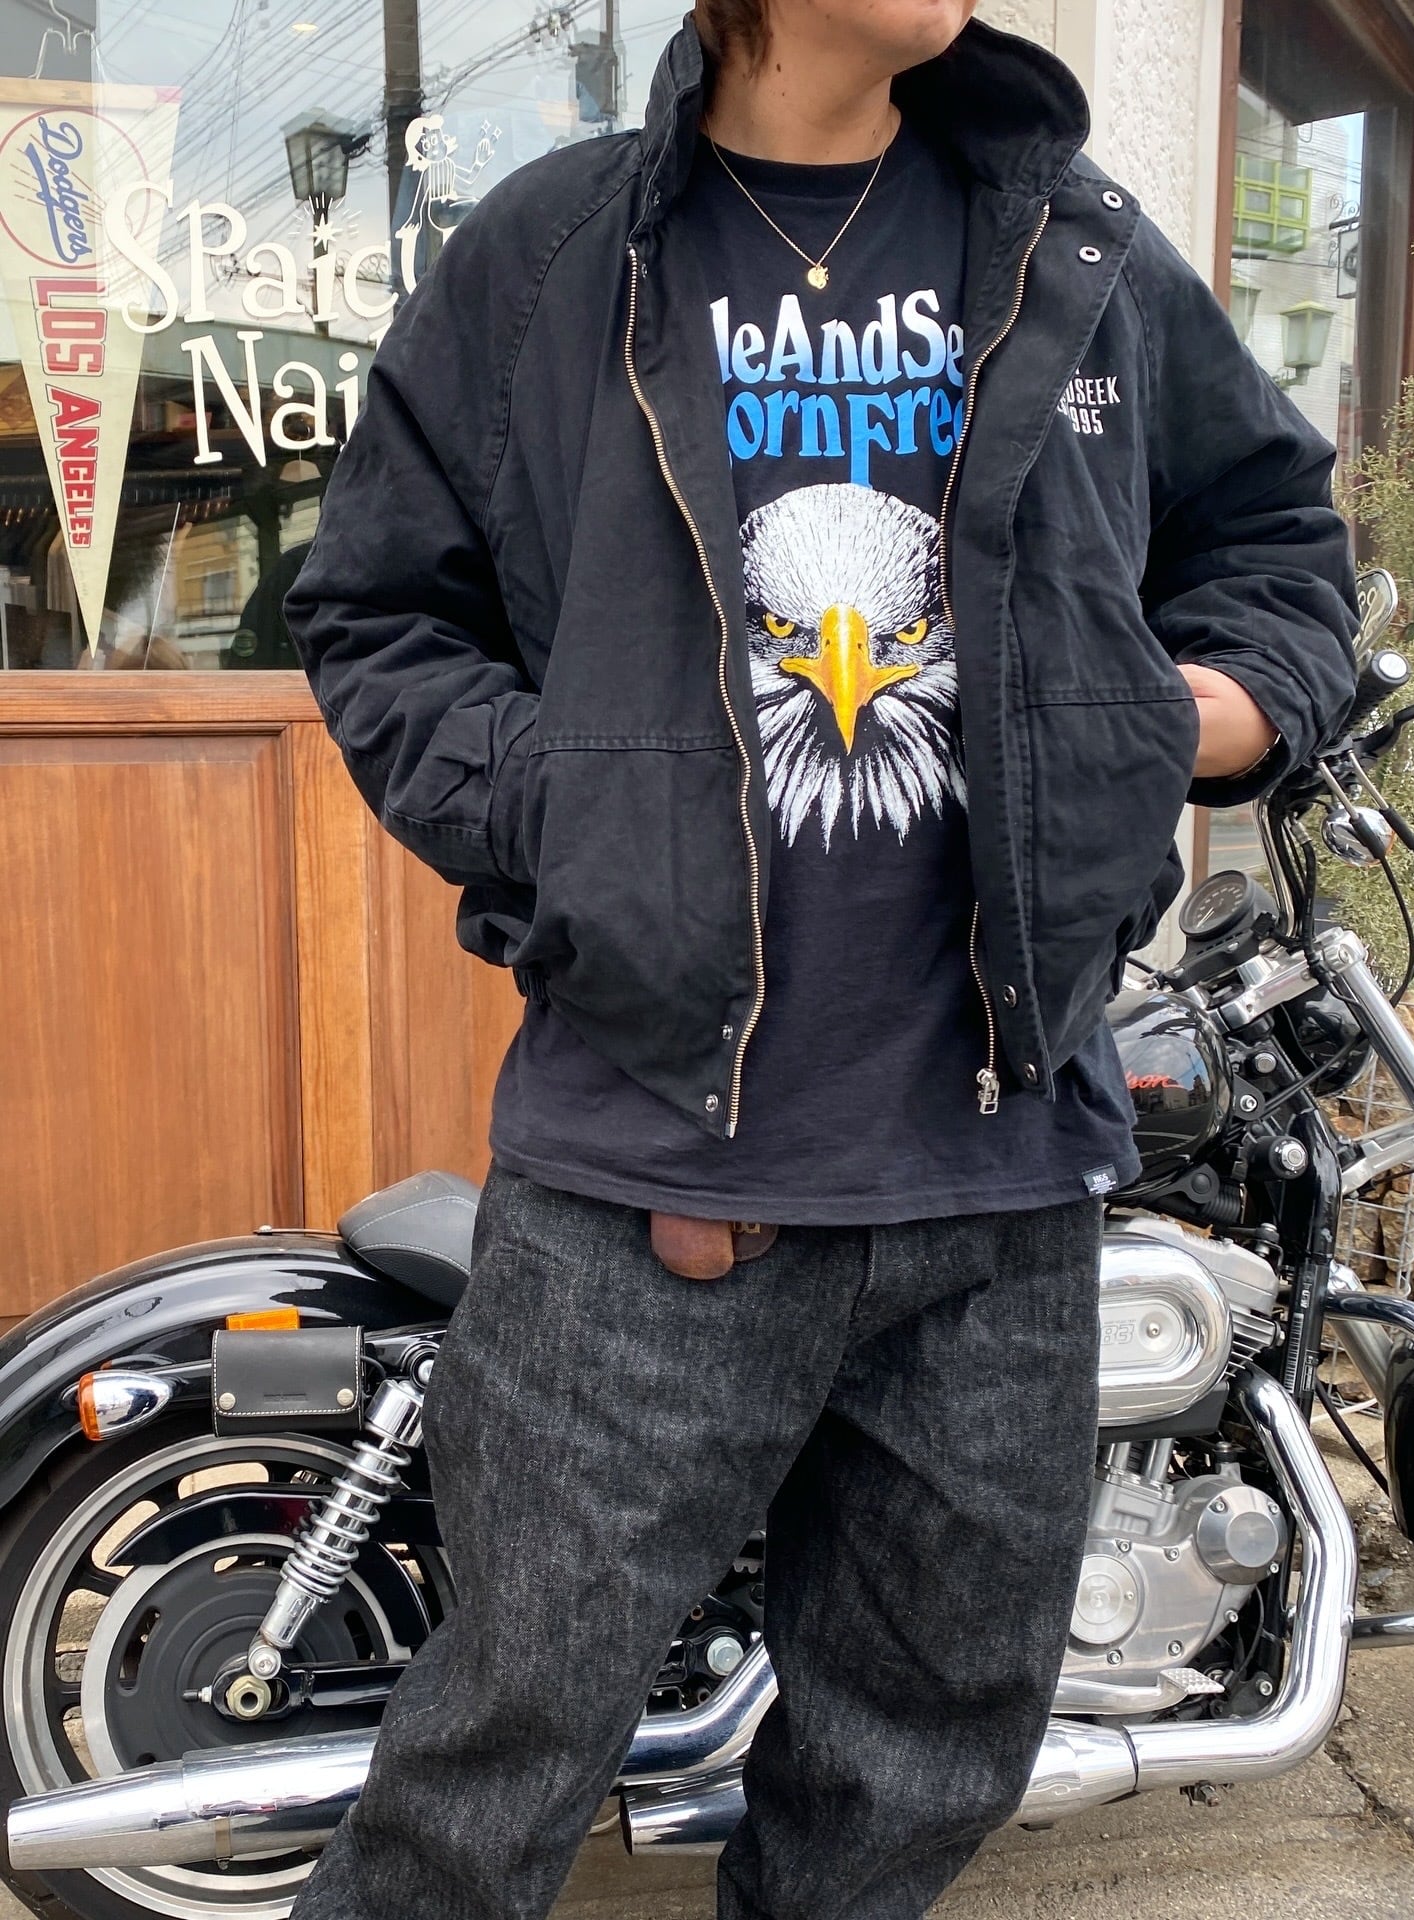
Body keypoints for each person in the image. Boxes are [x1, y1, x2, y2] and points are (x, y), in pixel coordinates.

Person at [284, 3, 1357, 1914]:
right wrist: (575, 806)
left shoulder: (1077, 247)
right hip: (654, 1182)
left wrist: (1189, 721)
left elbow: (1277, 541)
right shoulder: (553, 255)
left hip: (1003, 1174)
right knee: (483, 1786)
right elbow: (379, 614)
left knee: (914, 1787)